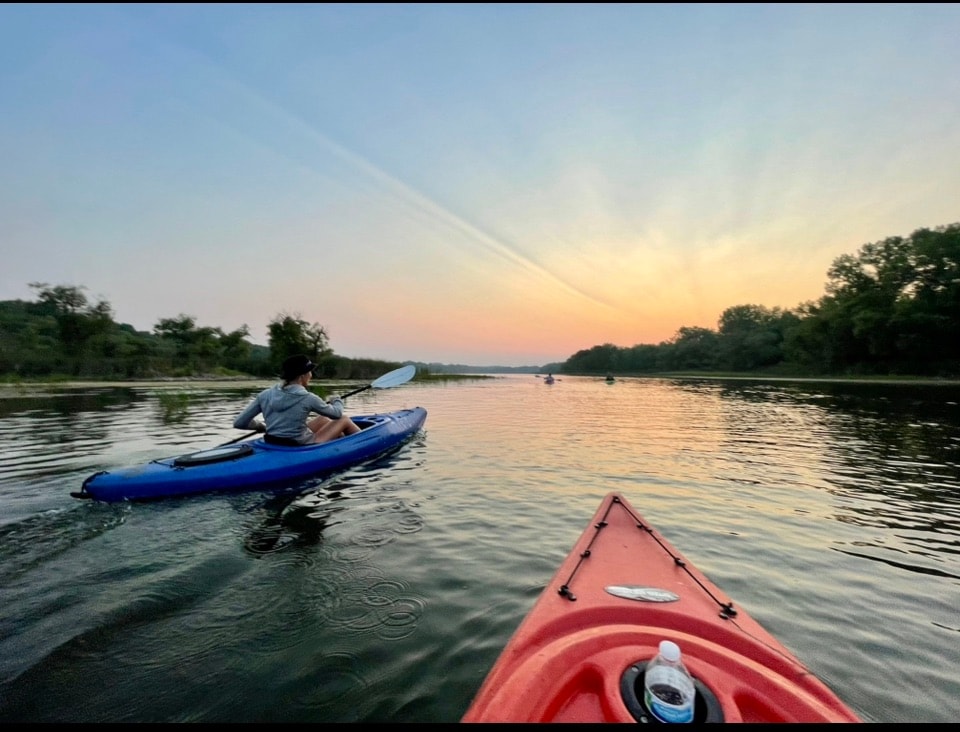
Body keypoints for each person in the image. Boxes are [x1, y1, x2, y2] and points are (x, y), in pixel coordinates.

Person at [233, 354, 362, 445]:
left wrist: (261, 426)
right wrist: (337, 400)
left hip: (273, 440)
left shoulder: (265, 394)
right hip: (299, 443)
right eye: (310, 372)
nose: (311, 375)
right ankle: (362, 442)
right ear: (302, 376)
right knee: (344, 419)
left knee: (323, 419)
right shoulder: (308, 398)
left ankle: (340, 439)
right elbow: (337, 414)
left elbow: (239, 423)